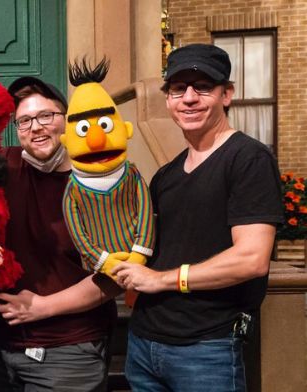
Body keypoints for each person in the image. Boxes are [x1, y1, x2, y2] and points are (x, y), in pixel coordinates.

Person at [111, 44, 283, 391]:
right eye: (178, 89)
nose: (189, 97)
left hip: (207, 348)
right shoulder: (166, 175)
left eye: (203, 86)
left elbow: (251, 259)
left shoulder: (248, 159)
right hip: (144, 344)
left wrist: (160, 281)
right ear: (169, 100)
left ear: (227, 95)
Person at [0, 76, 120, 392]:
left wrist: (43, 306)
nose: (36, 127)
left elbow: (115, 277)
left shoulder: (101, 182)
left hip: (69, 349)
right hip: (0, 350)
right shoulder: (5, 165)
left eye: (46, 116)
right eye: (25, 121)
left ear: (68, 120)